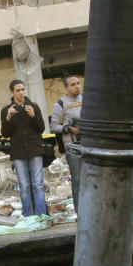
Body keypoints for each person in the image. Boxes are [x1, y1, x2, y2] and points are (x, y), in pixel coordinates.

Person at [0, 80, 47, 217]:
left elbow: (41, 128)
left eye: (22, 90)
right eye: (18, 90)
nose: (21, 93)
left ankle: (42, 215)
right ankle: (29, 216)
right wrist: (8, 116)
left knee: (38, 185)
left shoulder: (33, 106)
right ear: (12, 92)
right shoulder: (6, 110)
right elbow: (5, 133)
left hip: (34, 149)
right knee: (24, 187)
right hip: (18, 151)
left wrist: (33, 116)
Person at [49, 75, 87, 210]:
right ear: (66, 88)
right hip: (73, 147)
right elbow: (53, 126)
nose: (77, 86)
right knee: (77, 180)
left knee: (92, 178)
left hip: (89, 144)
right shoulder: (61, 104)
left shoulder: (86, 99)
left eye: (78, 83)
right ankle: (80, 210)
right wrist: (69, 129)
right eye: (73, 84)